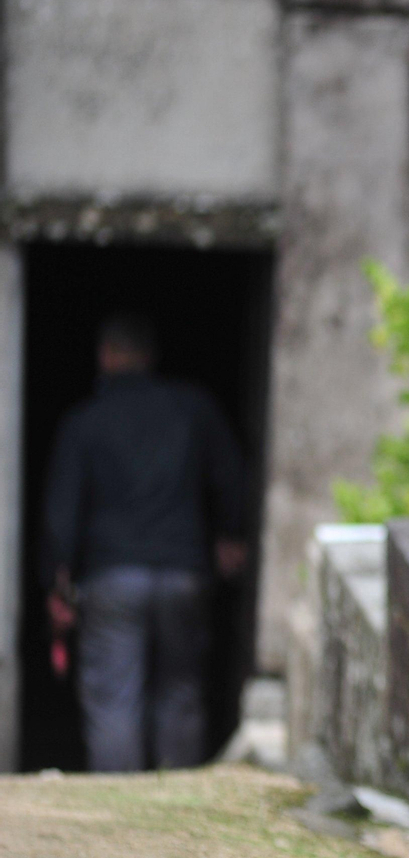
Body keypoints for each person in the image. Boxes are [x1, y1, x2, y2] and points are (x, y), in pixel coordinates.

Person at [42, 313, 248, 772]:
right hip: (183, 573)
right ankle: (176, 797)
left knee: (115, 698)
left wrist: (57, 581)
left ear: (105, 357)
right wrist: (231, 535)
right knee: (180, 692)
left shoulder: (84, 422)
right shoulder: (193, 407)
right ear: (150, 357)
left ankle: (119, 807)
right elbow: (231, 476)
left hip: (110, 577)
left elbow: (62, 511)